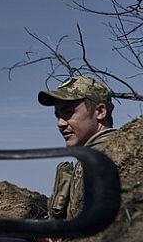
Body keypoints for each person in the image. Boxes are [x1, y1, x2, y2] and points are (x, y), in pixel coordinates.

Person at [37, 76, 119, 220]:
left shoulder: (108, 157)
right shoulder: (92, 156)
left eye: (68, 112)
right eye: (58, 115)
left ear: (100, 111)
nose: (60, 123)